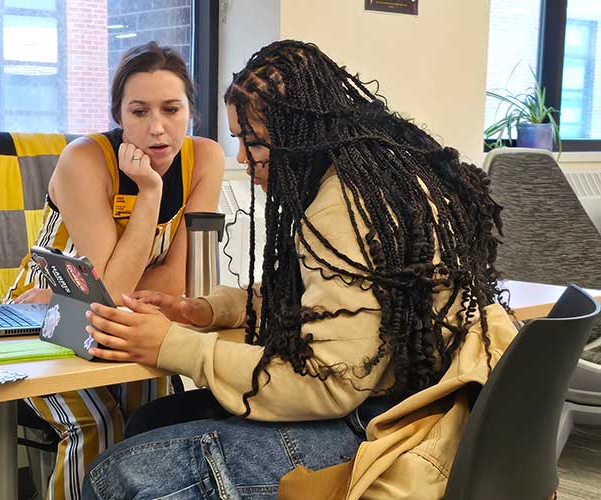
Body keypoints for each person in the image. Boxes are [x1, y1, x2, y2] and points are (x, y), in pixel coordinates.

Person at [80, 40, 518, 500]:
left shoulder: (342, 209)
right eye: (236, 141)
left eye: (250, 140)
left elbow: (327, 382)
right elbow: (331, 299)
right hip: (405, 394)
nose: (243, 159)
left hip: (386, 422)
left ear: (294, 132)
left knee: (116, 474)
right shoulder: (380, 180)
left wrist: (173, 345)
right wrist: (211, 310)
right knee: (153, 420)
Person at [4, 42, 224, 500]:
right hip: (43, 317)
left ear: (192, 113)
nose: (157, 128)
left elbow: (173, 286)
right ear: (119, 116)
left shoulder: (205, 159)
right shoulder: (84, 161)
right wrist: (148, 192)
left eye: (171, 109)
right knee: (97, 423)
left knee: (158, 421)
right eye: (139, 111)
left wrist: (94, 290)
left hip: (124, 315)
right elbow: (111, 287)